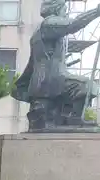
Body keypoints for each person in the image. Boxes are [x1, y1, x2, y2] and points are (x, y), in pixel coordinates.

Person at [12, 0, 100, 130]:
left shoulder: (41, 31)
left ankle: (69, 118)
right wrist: (96, 12)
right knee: (88, 86)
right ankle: (73, 118)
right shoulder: (49, 24)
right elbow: (73, 24)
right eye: (64, 8)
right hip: (50, 80)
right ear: (57, 9)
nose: (65, 12)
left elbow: (32, 63)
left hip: (47, 81)